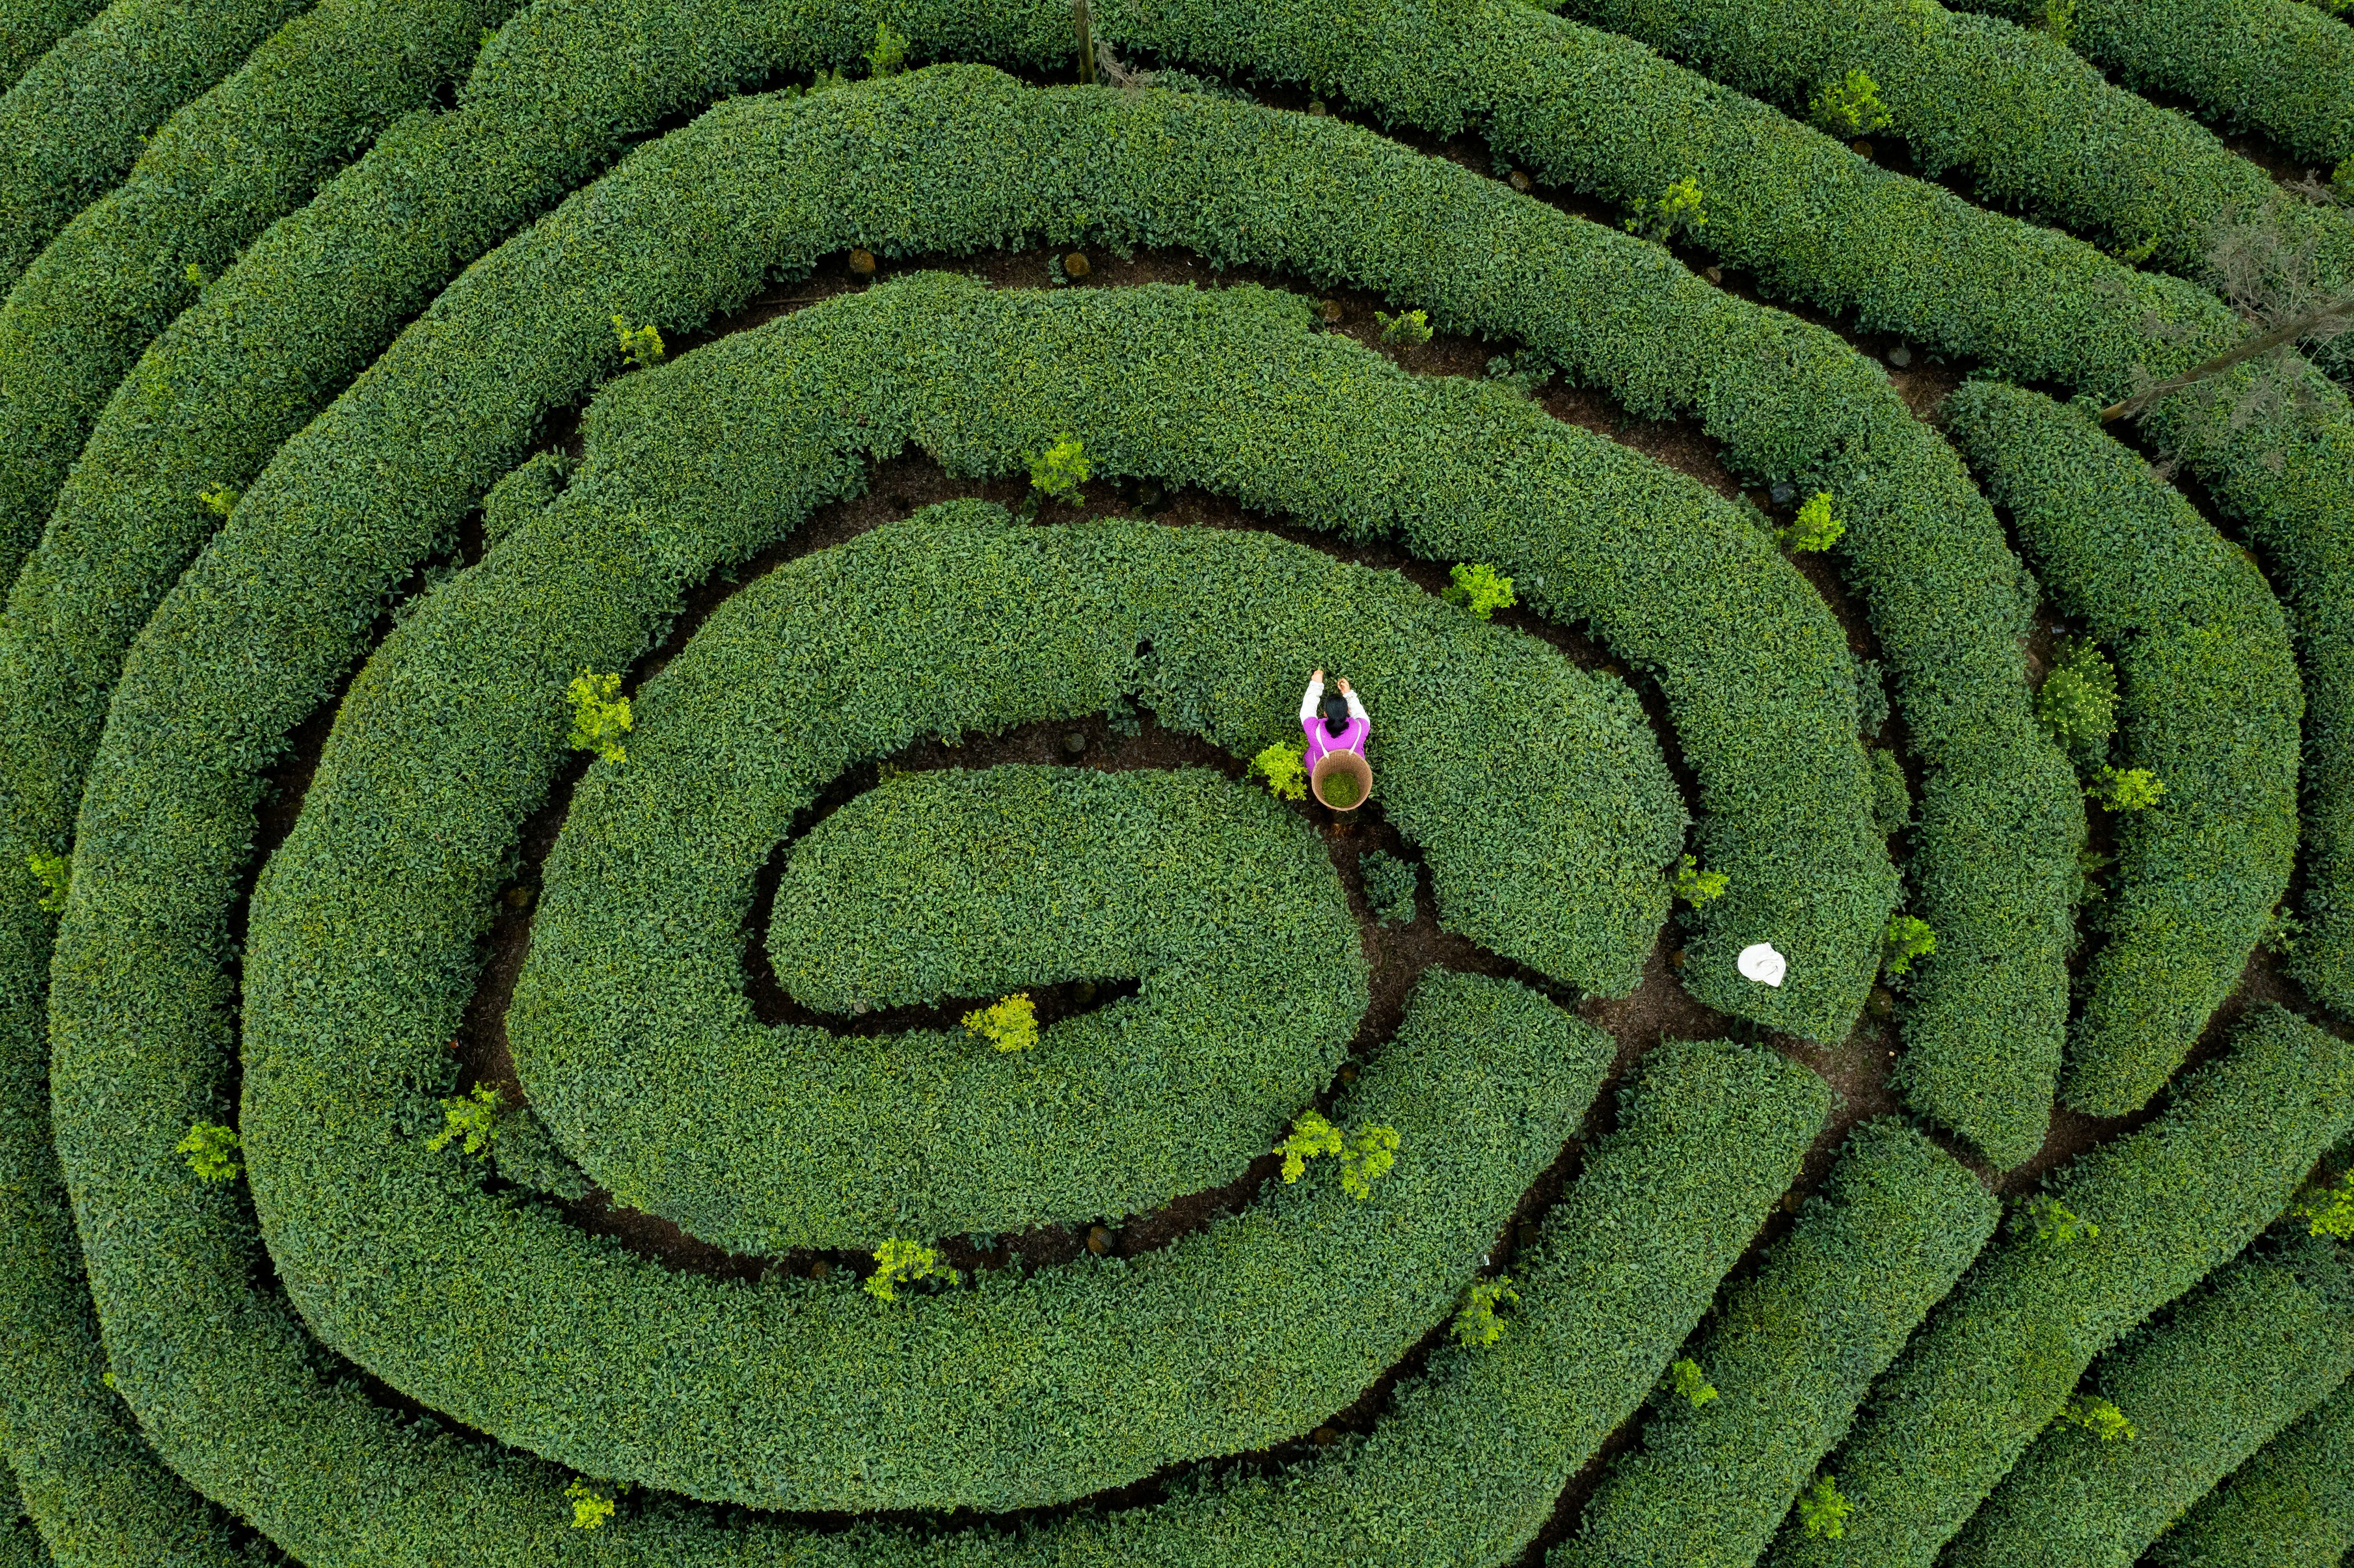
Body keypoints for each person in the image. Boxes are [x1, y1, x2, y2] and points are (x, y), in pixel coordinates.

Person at [1299, 667, 1369, 773]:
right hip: (1352, 770)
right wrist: (1348, 694)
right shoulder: (1361, 728)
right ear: (1348, 711)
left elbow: (1307, 711)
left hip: (1321, 770)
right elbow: (1360, 713)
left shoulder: (1315, 732)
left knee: (1311, 761)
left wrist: (1316, 684)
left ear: (1325, 714)